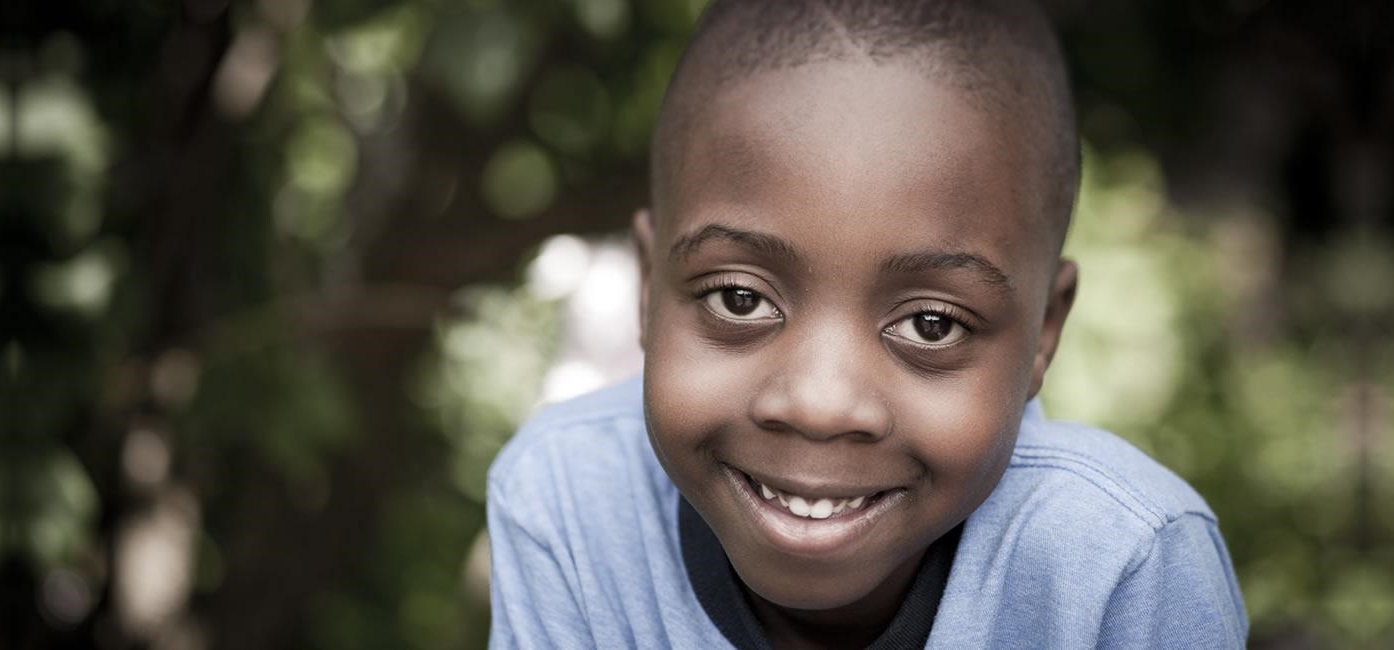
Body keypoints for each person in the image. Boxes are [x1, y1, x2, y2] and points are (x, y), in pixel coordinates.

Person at [487, 0, 1249, 647]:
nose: (819, 405)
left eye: (930, 323)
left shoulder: (1118, 565)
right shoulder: (569, 500)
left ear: (1044, 329)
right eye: (740, 299)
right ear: (650, 288)